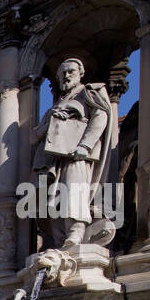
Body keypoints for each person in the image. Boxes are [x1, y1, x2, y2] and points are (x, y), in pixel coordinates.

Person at [32, 56, 115, 249]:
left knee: (74, 192)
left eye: (71, 71)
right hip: (54, 159)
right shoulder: (55, 106)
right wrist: (50, 122)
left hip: (78, 157)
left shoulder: (88, 93)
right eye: (62, 73)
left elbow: (101, 117)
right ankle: (61, 241)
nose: (66, 76)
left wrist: (85, 146)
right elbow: (33, 137)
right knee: (54, 199)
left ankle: (76, 234)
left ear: (81, 74)